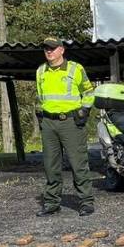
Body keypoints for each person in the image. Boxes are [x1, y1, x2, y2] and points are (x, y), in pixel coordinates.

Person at [35, 36, 96, 216]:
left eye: (53, 48)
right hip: (48, 123)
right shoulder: (40, 71)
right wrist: (40, 116)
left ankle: (86, 202)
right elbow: (40, 97)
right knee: (50, 165)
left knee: (78, 163)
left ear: (62, 50)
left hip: (70, 122)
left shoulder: (76, 69)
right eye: (46, 48)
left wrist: (84, 111)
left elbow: (88, 92)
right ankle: (52, 202)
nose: (49, 51)